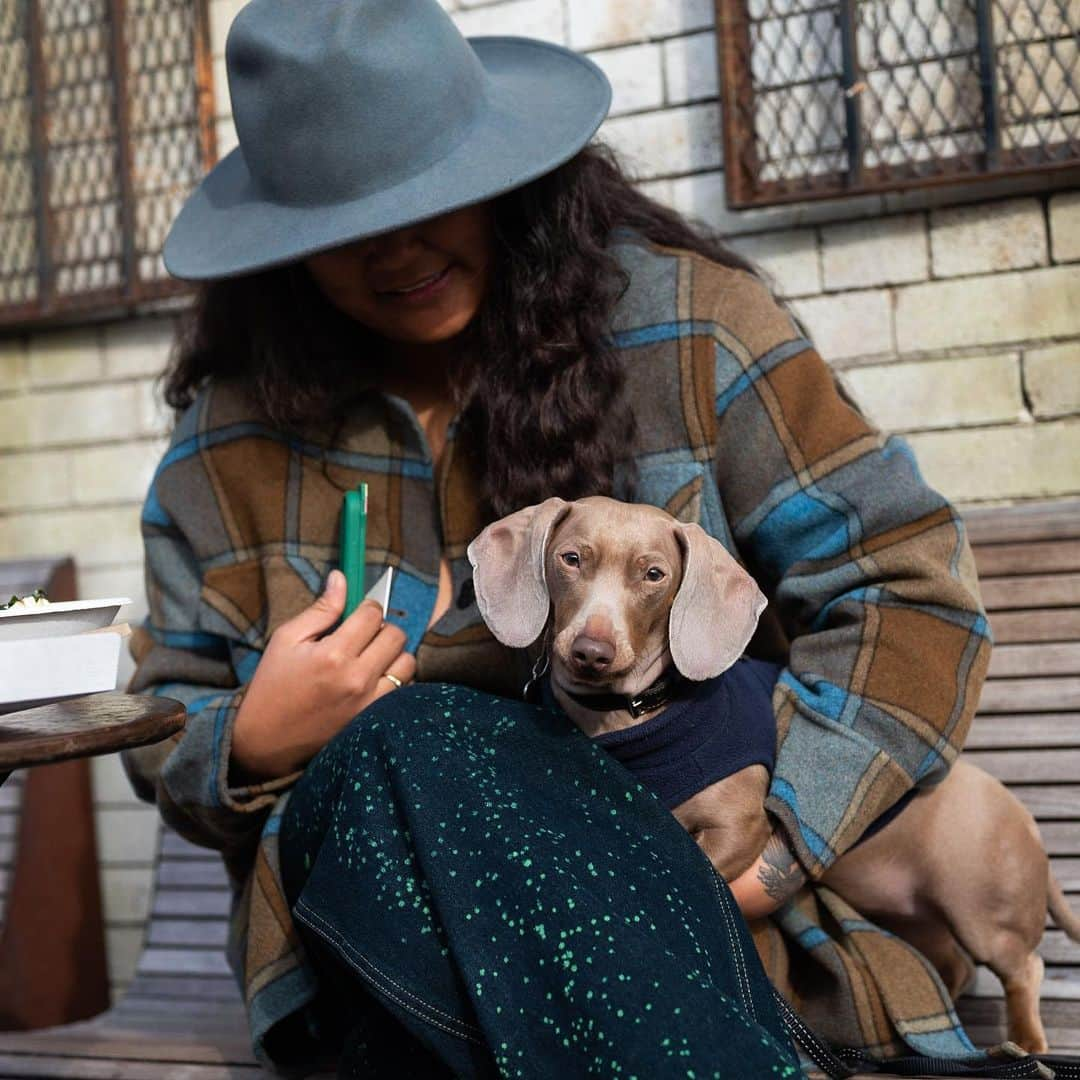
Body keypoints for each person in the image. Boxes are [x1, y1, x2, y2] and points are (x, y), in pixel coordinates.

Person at [122, 0, 992, 1074]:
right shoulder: (226, 449)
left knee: (422, 733)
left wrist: (778, 847)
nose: (395, 251)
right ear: (283, 246)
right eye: (345, 228)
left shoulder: (687, 331)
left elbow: (908, 589)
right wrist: (250, 741)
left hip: (696, 943)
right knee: (414, 739)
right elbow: (164, 715)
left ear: (502, 180)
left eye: (429, 200)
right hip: (378, 968)